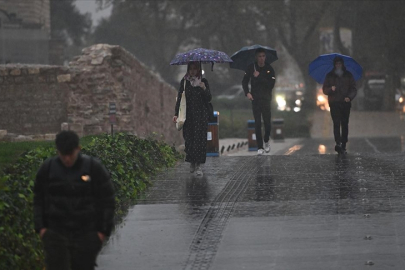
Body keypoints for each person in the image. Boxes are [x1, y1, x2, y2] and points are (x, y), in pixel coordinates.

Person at [33, 130, 115, 270]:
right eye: (63, 155)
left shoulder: (93, 168)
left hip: (86, 232)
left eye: (70, 154)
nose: (67, 159)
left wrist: (102, 231)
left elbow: (107, 199)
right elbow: (38, 199)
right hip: (55, 232)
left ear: (78, 149)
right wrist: (41, 228)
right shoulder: (48, 169)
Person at [173, 61, 212, 176]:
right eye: (190, 69)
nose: (192, 71)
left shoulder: (203, 82)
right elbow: (179, 99)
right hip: (188, 116)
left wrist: (204, 89)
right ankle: (192, 161)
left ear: (198, 69)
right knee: (189, 140)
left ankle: (198, 165)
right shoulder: (185, 82)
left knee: (199, 141)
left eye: (195, 69)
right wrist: (176, 114)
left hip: (201, 116)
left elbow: (209, 98)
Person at [242, 48, 276, 155]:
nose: (261, 58)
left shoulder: (269, 68)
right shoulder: (251, 68)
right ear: (256, 57)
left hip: (266, 99)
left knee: (267, 123)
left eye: (263, 56)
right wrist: (247, 92)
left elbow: (271, 84)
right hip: (255, 99)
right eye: (259, 56)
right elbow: (244, 81)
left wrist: (259, 76)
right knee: (257, 123)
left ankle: (266, 140)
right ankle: (260, 146)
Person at [322, 56, 357, 154]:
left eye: (339, 64)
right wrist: (330, 89)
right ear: (334, 65)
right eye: (336, 64)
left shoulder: (348, 75)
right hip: (334, 103)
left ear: (342, 64)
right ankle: (338, 143)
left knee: (344, 124)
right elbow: (324, 89)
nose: (338, 65)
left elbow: (353, 88)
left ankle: (344, 144)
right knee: (336, 123)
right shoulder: (330, 76)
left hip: (345, 103)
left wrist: (349, 97)